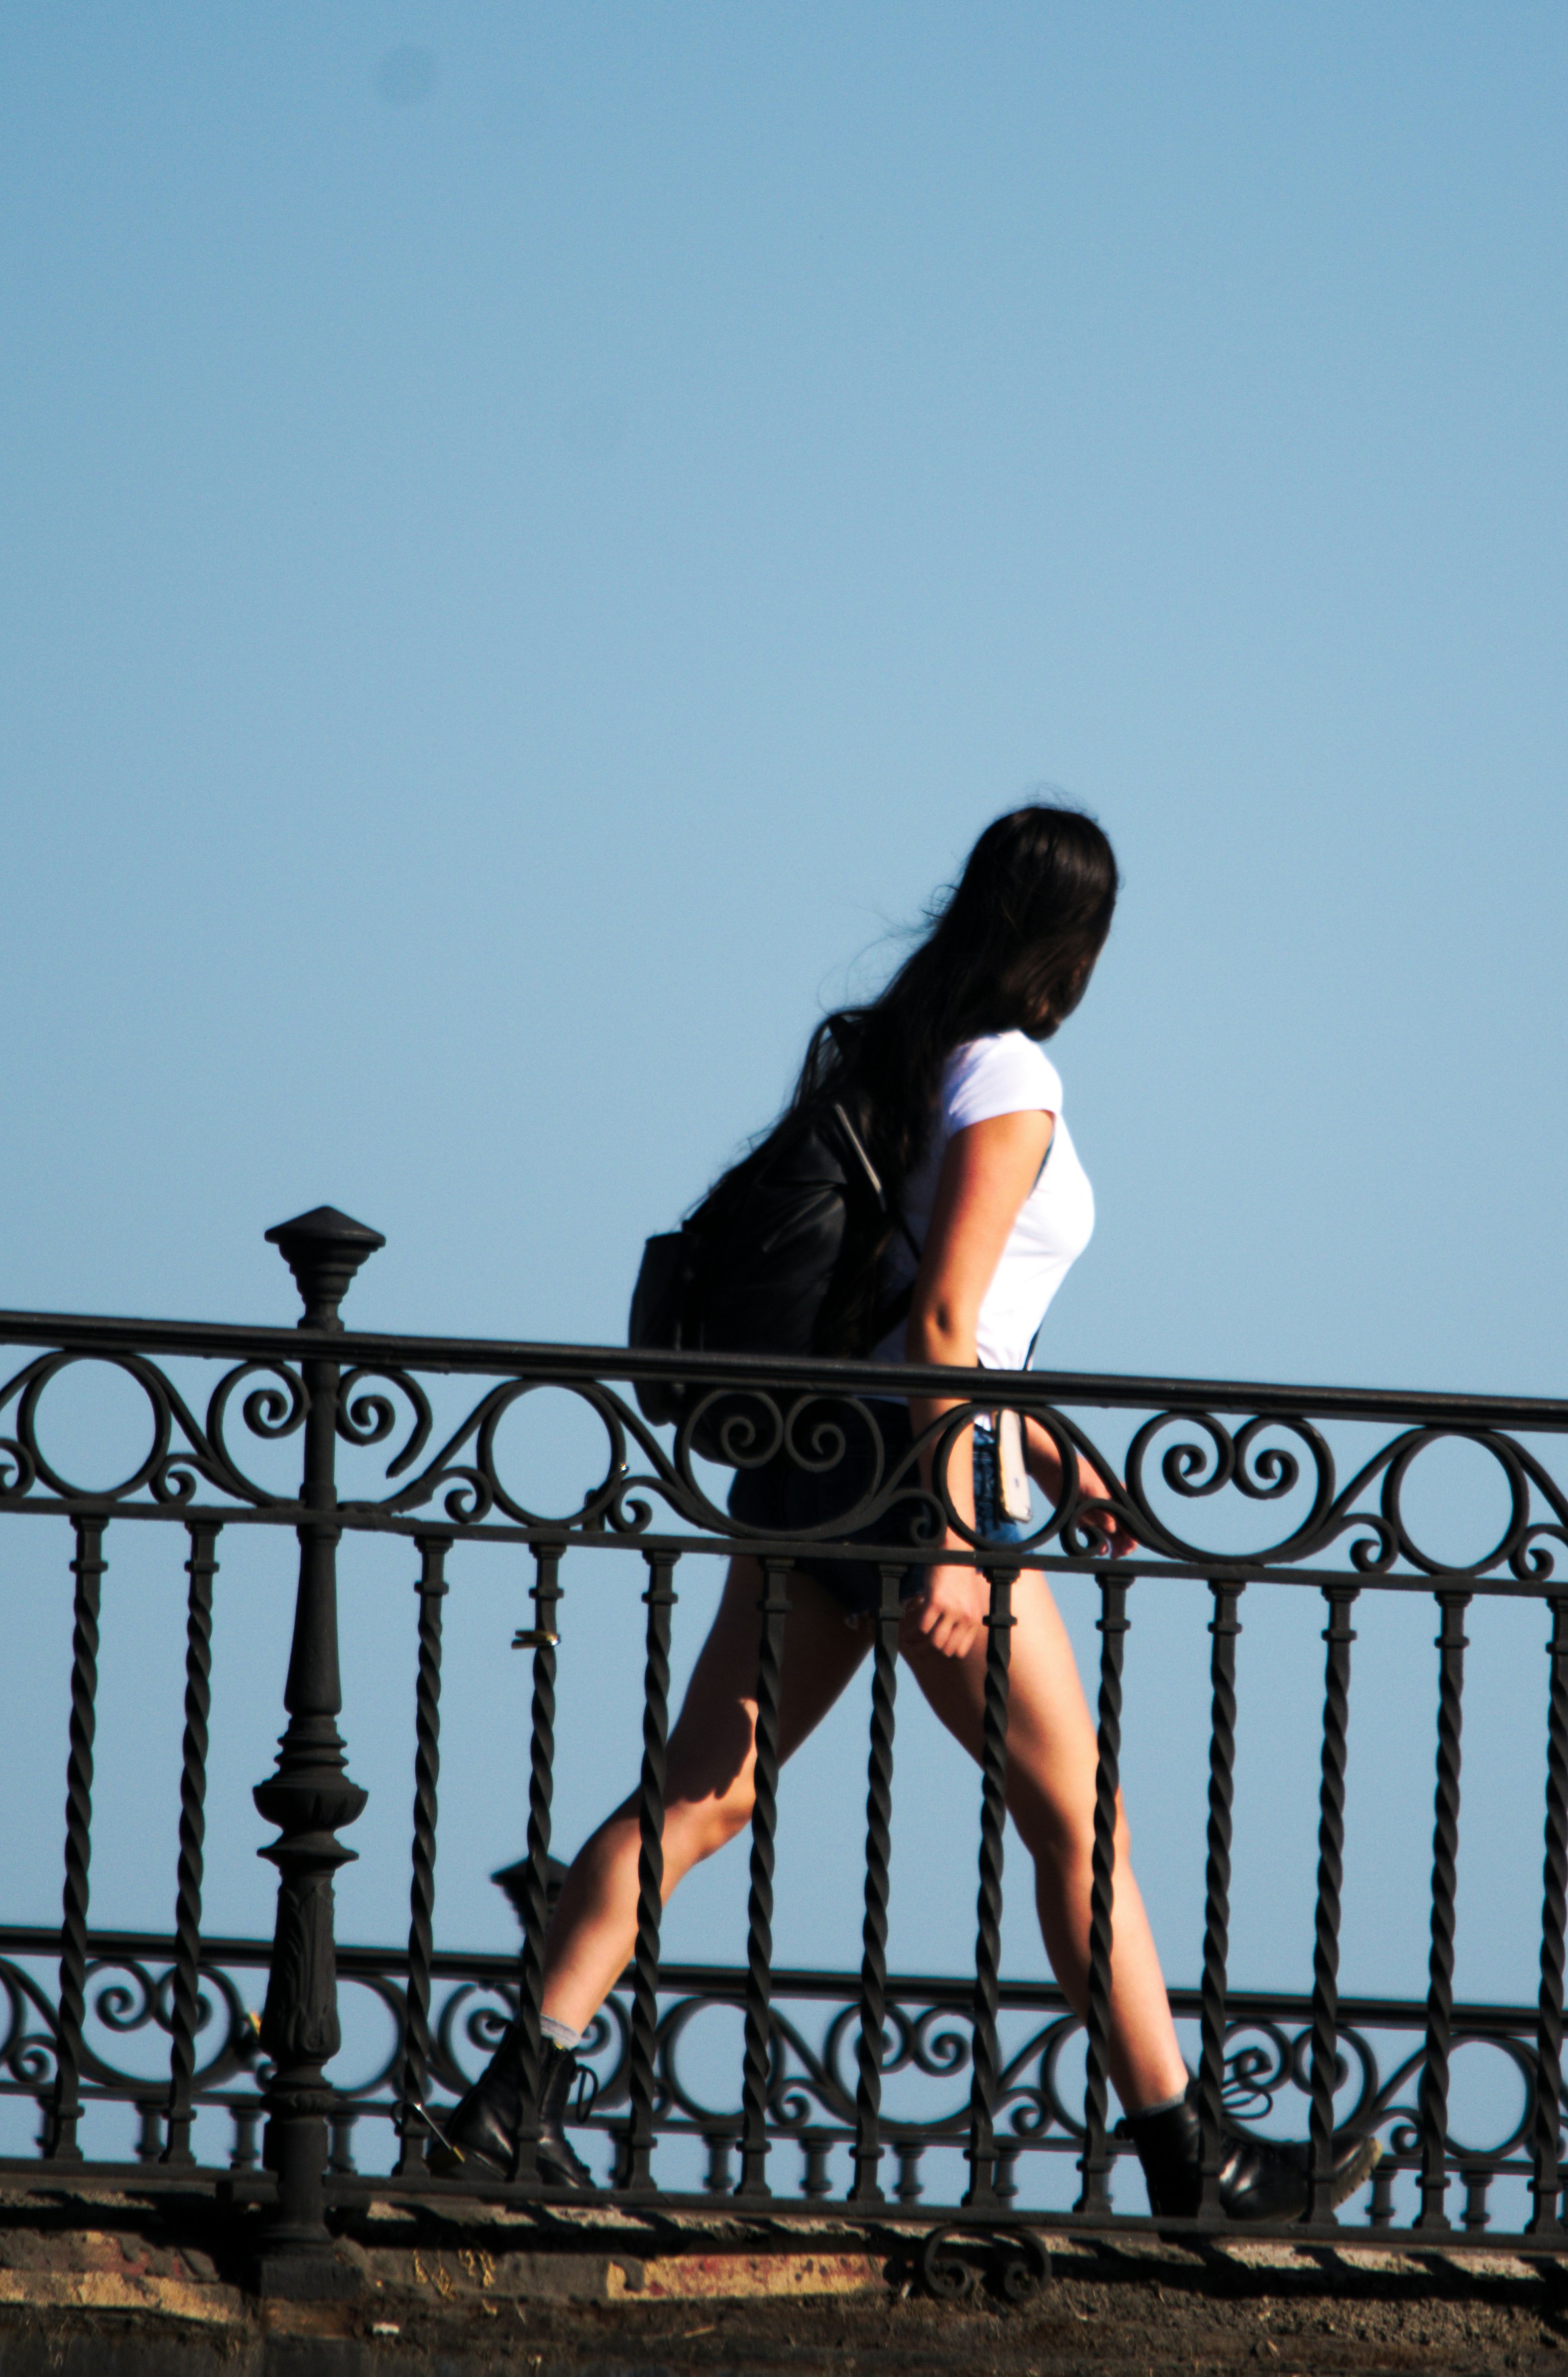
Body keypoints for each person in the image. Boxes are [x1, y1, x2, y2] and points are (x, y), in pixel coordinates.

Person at [424, 805, 1369, 2223]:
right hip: (920, 1485)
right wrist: (953, 1526)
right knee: (1080, 1822)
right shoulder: (1011, 1078)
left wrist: (1047, 1444)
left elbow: (919, 1303)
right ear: (1076, 941)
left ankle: (507, 2106)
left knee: (702, 1793)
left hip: (820, 1466)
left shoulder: (903, 1050)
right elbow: (939, 1325)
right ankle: (1194, 2159)